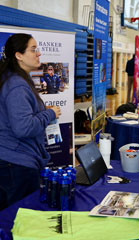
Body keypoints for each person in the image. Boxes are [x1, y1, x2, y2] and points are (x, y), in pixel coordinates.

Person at [0, 33, 61, 210]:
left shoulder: (12, 79)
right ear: (18, 55)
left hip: (12, 161)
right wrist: (49, 114)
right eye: (33, 50)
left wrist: (41, 111)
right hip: (16, 164)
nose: (39, 53)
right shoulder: (17, 85)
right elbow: (23, 127)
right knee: (20, 219)